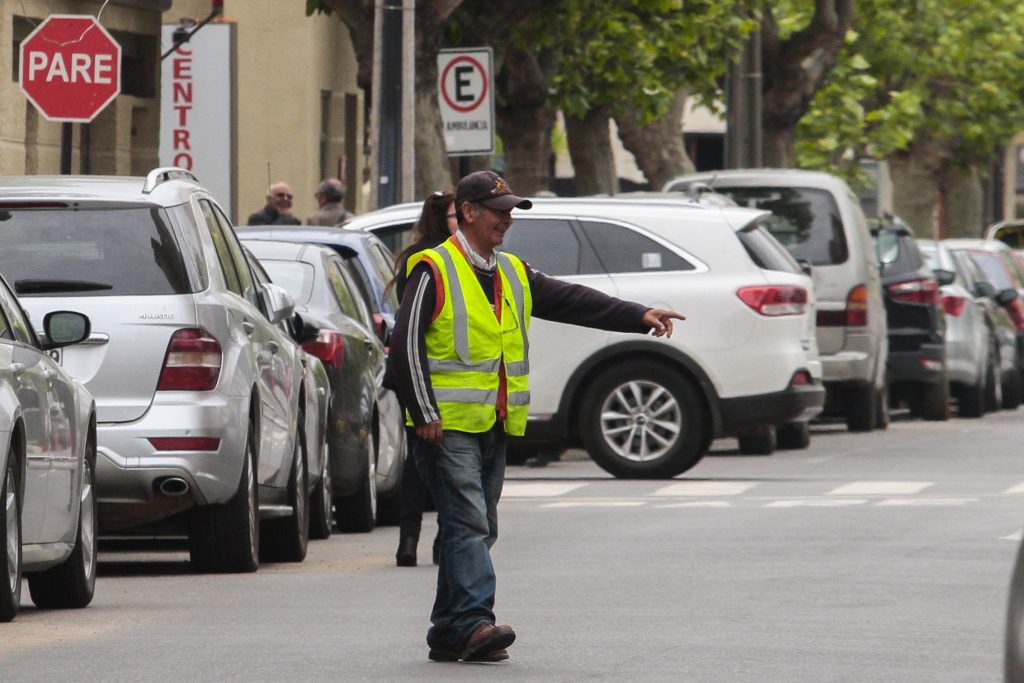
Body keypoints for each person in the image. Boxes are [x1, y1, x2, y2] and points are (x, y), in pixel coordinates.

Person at [387, 170, 684, 663]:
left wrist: (637, 315)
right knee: (468, 523)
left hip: (494, 422)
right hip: (448, 424)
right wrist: (422, 410)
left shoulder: (509, 271)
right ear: (467, 212)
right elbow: (404, 346)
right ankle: (476, 623)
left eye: (510, 210)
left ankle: (447, 630)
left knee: (478, 527)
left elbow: (570, 299)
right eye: (499, 209)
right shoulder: (433, 269)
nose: (507, 219)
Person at [388, 191, 458, 568]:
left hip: (417, 371)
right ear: (439, 218)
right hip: (424, 372)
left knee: (418, 460)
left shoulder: (418, 254)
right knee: (438, 462)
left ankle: (411, 539)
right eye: (453, 215)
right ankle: (426, 538)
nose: (460, 221)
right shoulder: (435, 258)